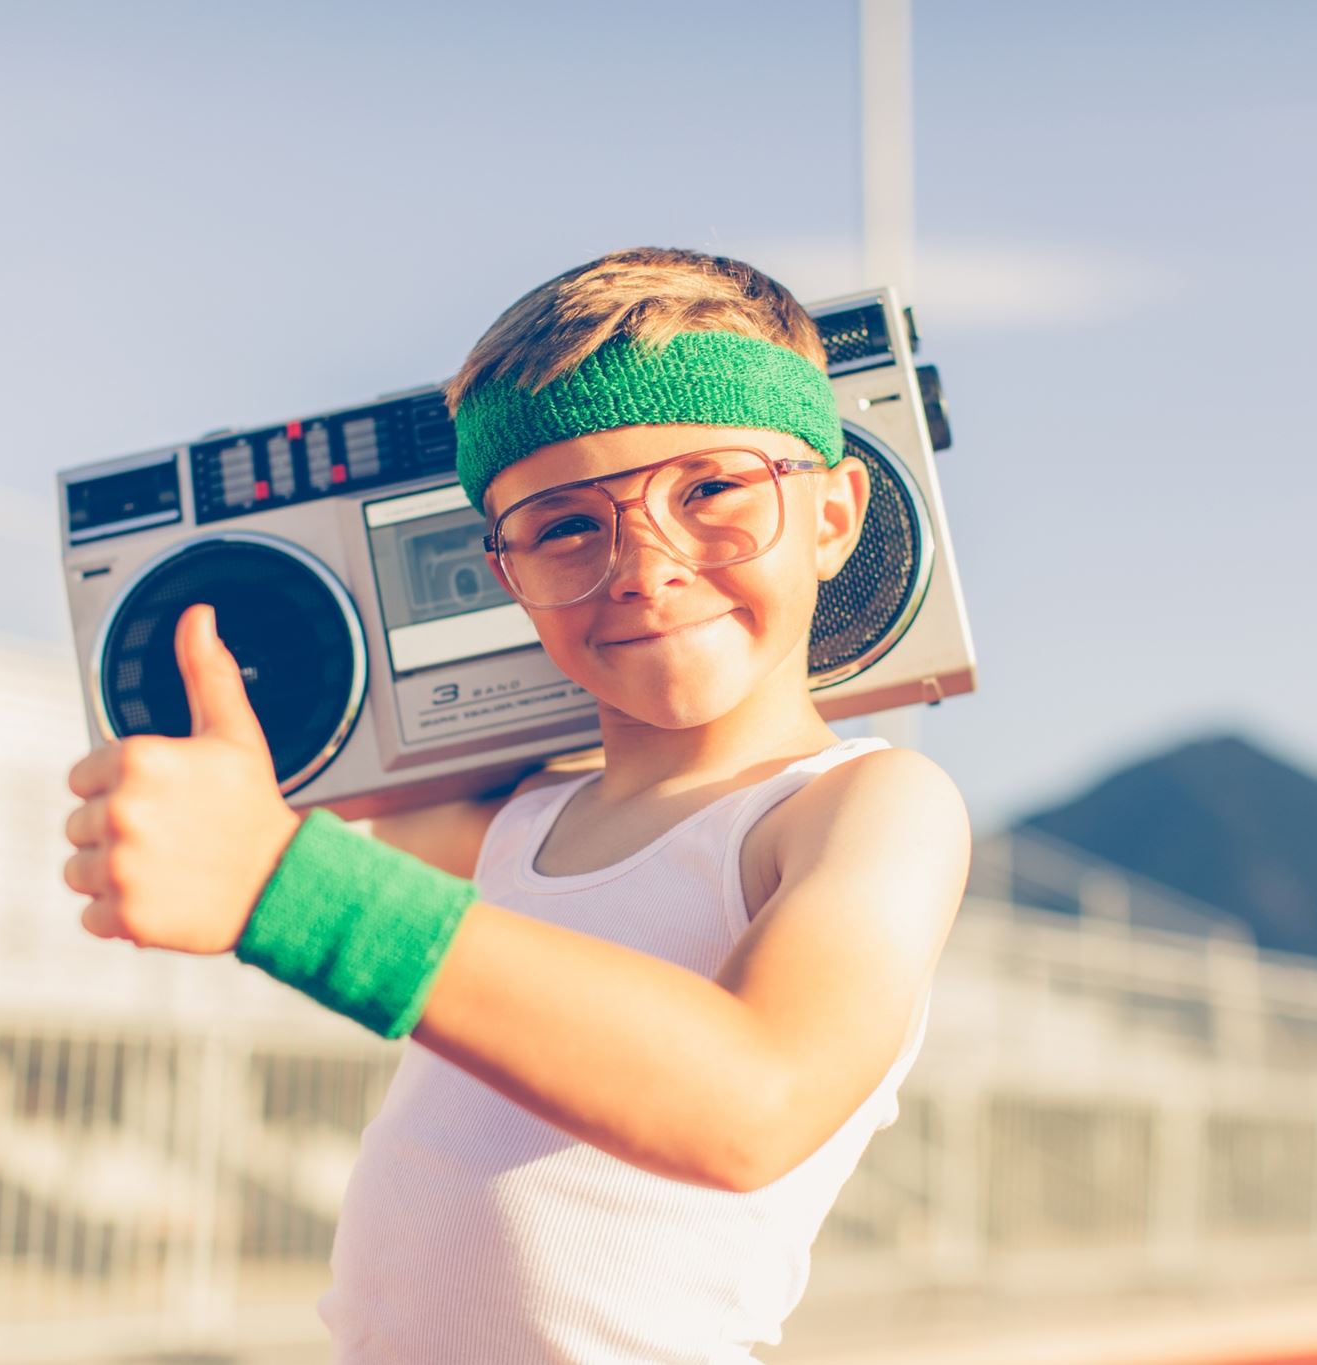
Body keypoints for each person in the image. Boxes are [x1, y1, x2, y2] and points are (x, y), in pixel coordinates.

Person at [62, 245, 972, 1362]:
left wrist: (281, 884)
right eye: (565, 527)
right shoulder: (515, 826)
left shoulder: (864, 807)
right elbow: (291, 810)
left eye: (713, 490)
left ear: (833, 517)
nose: (644, 564)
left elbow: (754, 1102)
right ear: (505, 577)